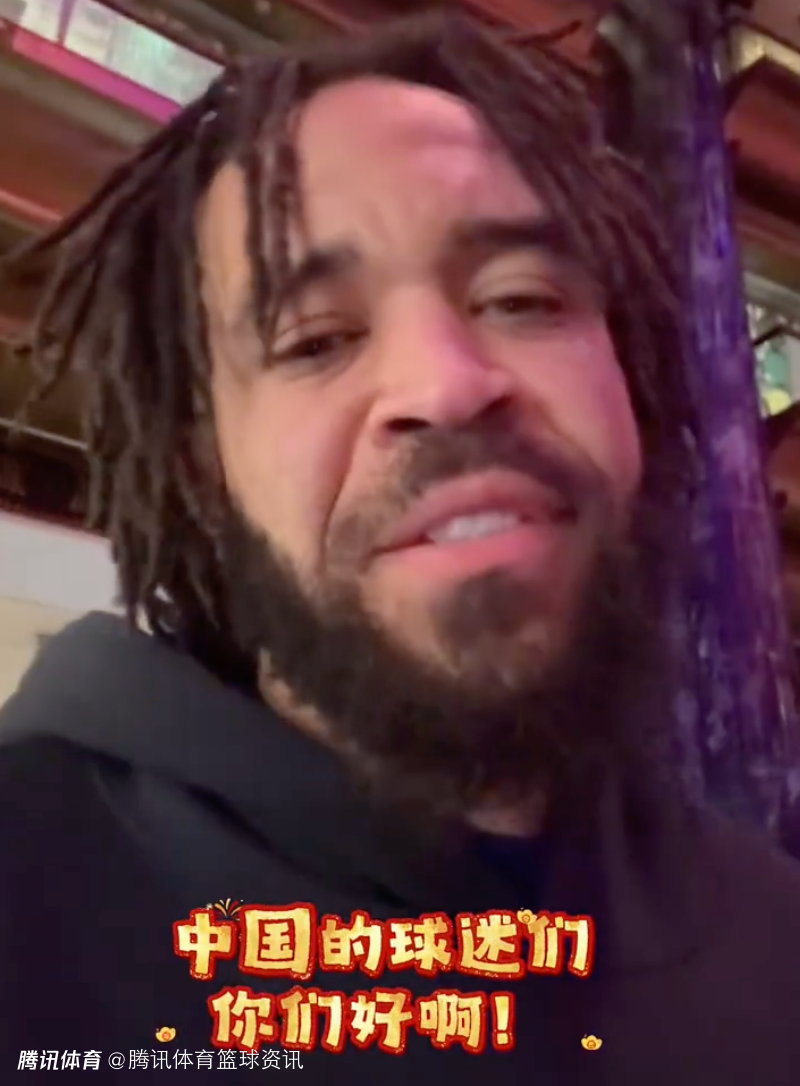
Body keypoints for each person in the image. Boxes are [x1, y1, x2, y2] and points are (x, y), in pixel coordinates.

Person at [1, 12, 798, 1083]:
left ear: (634, 390)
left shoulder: (773, 934)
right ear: (201, 472)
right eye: (317, 340)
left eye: (520, 299)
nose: (446, 382)